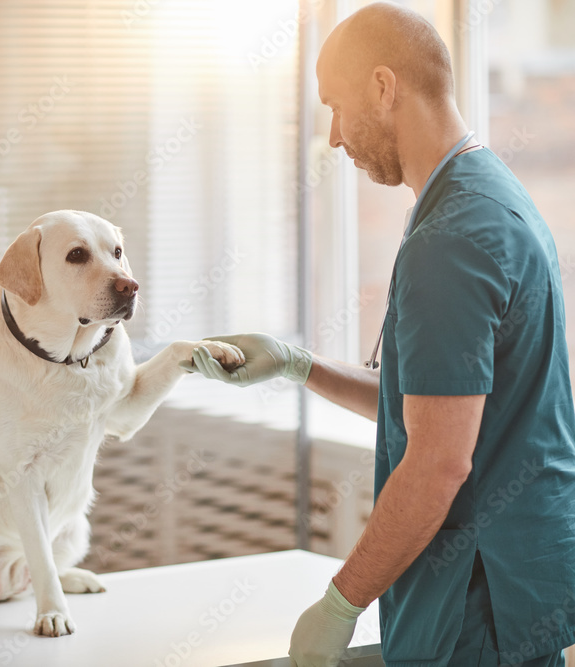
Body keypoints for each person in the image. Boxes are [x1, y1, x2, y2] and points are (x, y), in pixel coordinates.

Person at [184, 3, 575, 665]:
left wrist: (341, 601)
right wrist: (295, 363)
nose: (333, 137)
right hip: (515, 587)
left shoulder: (450, 239)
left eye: (335, 106)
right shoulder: (485, 194)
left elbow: (437, 461)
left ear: (384, 86)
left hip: (477, 601)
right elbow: (430, 403)